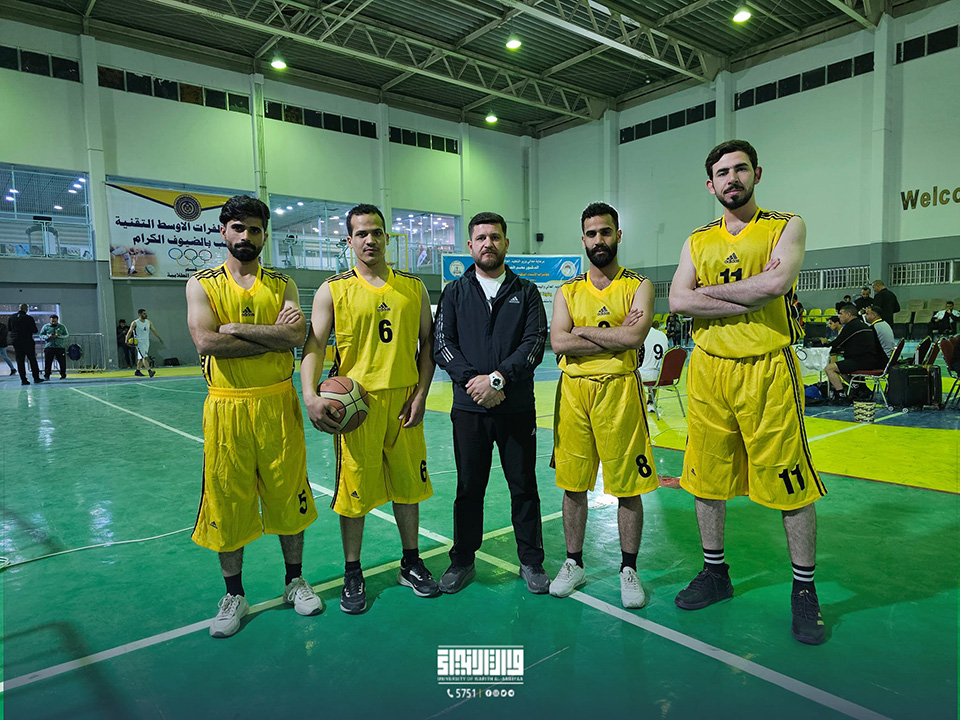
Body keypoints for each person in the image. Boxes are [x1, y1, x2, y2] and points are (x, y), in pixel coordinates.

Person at [669, 139, 826, 645]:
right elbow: (677, 301)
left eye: (740, 169)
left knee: (790, 480)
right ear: (710, 184)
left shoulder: (786, 225)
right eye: (722, 172)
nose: (731, 178)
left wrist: (705, 294)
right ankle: (715, 573)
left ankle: (804, 590)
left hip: (767, 368)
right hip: (709, 369)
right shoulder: (697, 240)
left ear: (757, 174)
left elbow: (775, 287)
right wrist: (746, 294)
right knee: (706, 477)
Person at [186, 195, 322, 639]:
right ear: (223, 231)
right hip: (226, 406)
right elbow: (206, 343)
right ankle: (234, 594)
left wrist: (236, 328)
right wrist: (272, 335)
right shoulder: (202, 284)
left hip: (278, 404)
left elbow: (297, 336)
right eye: (238, 228)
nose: (246, 236)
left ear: (265, 235)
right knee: (227, 499)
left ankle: (294, 581)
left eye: (255, 229)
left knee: (288, 492)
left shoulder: (282, 282)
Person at [301, 203, 437, 615]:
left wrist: (422, 393)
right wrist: (310, 395)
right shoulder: (332, 289)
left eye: (377, 232)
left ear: (387, 237)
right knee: (354, 493)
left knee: (408, 488)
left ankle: (410, 562)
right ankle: (353, 570)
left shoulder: (413, 287)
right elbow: (314, 345)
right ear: (349, 240)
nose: (370, 239)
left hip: (404, 401)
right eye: (361, 233)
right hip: (356, 406)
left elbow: (428, 344)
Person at [433, 211, 549, 595]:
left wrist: (497, 379)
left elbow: (534, 343)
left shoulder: (526, 292)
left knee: (523, 486)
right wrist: (474, 383)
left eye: (495, 237)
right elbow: (443, 345)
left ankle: (531, 560)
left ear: (506, 243)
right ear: (470, 246)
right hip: (470, 410)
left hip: (516, 409)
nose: (488, 244)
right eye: (481, 238)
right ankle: (462, 560)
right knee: (468, 488)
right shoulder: (454, 292)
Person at [549, 201, 657, 610]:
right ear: (583, 239)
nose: (599, 240)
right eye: (592, 233)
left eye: (606, 232)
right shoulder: (567, 290)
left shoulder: (639, 285)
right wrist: (610, 336)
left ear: (618, 235)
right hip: (574, 394)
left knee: (628, 486)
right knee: (573, 483)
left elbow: (633, 339)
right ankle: (573, 563)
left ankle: (628, 569)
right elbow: (558, 342)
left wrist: (581, 330)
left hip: (620, 392)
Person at [821, 304, 886, 402]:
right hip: (871, 360)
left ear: (848, 315)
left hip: (863, 361)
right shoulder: (862, 324)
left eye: (841, 314)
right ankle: (860, 388)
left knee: (829, 368)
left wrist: (824, 345)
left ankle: (841, 395)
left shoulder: (851, 326)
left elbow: (837, 344)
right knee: (841, 368)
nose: (839, 316)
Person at [638, 320, 669, 411]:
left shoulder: (641, 334)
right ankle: (651, 402)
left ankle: (636, 402)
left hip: (643, 375)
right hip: (660, 376)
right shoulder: (663, 335)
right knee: (653, 366)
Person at [8, 304, 43, 386]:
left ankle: (23, 380)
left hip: (16, 341)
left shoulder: (12, 317)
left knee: (20, 361)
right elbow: (34, 330)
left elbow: (9, 329)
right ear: (26, 309)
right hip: (27, 341)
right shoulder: (28, 318)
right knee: (32, 359)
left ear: (19, 308)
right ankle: (36, 378)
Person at [126, 308, 163, 377]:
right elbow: (130, 331)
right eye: (144, 313)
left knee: (140, 358)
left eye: (145, 313)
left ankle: (137, 371)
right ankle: (149, 371)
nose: (146, 314)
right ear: (140, 314)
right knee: (144, 357)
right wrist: (126, 340)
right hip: (139, 342)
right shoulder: (135, 322)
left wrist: (159, 338)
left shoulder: (148, 322)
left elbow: (154, 331)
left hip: (146, 341)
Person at [39, 314, 69, 380]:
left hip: (60, 347)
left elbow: (66, 334)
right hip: (49, 346)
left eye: (55, 321)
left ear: (57, 320)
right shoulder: (46, 327)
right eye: (52, 321)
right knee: (48, 362)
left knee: (62, 362)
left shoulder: (62, 327)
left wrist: (59, 336)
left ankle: (63, 374)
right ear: (50, 320)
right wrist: (47, 336)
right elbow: (41, 335)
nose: (53, 323)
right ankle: (47, 375)